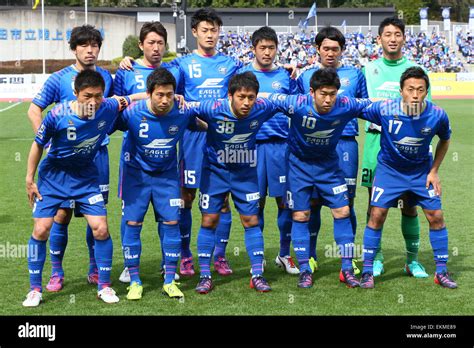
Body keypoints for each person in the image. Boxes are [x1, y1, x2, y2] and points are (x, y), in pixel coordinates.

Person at [23, 70, 133, 307]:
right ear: (75, 94)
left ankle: (104, 286)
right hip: (54, 178)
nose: (93, 102)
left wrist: (174, 96)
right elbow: (37, 145)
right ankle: (34, 289)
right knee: (41, 229)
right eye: (87, 96)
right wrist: (30, 179)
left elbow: (136, 96)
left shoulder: (108, 106)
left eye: (98, 96)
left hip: (86, 178)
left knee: (101, 229)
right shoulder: (57, 114)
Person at [267, 68, 372, 289]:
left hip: (329, 167)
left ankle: (346, 268)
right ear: (312, 92)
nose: (328, 99)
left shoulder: (345, 104)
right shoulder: (296, 104)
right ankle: (305, 269)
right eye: (323, 94)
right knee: (301, 214)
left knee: (343, 211)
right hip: (298, 167)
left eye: (332, 94)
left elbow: (373, 105)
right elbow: (266, 97)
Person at [27, 25, 114, 291]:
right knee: (61, 215)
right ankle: (56, 271)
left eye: (95, 45)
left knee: (96, 216)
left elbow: (120, 101)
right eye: (84, 45)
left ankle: (94, 268)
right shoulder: (59, 78)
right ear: (74, 48)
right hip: (63, 162)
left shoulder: (106, 77)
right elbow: (34, 110)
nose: (90, 50)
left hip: (96, 156)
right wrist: (51, 141)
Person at [359, 67, 457, 289]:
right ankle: (367, 271)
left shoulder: (437, 114)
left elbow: (445, 139)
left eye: (420, 90)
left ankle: (440, 271)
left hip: (420, 172)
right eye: (410, 89)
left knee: (436, 216)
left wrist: (434, 171)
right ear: (401, 91)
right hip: (389, 171)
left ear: (426, 92)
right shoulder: (384, 109)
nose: (415, 95)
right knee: (377, 214)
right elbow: (353, 108)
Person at [112, 68, 201, 300]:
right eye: (159, 94)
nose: (164, 100)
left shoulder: (182, 111)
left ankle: (169, 280)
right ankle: (134, 281)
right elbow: (104, 119)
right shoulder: (132, 113)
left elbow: (203, 123)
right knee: (133, 223)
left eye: (169, 94)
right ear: (149, 93)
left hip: (167, 177)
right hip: (136, 177)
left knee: (172, 222)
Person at [170, 8, 244, 277]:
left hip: (221, 139)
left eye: (214, 30)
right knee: (186, 197)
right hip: (192, 138)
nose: (210, 35)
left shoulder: (231, 64)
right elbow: (162, 85)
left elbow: (251, 84)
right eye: (205, 30)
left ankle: (220, 256)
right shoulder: (182, 65)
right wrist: (128, 60)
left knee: (221, 199)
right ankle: (186, 255)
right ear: (194, 32)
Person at [192, 72, 279, 294]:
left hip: (245, 171)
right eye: (241, 97)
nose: (246, 102)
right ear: (230, 95)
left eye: (251, 97)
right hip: (215, 171)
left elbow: (287, 102)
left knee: (251, 219)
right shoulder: (212, 108)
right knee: (210, 219)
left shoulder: (262, 108)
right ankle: (204, 276)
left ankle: (257, 275)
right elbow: (183, 108)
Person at [361, 17, 431, 278]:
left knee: (409, 205)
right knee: (374, 206)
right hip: (375, 147)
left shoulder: (416, 69)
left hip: (408, 151)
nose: (392, 38)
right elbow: (358, 105)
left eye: (397, 34)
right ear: (379, 39)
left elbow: (426, 111)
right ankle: (376, 259)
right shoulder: (367, 70)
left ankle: (411, 261)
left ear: (404, 38)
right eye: (387, 34)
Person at [296, 26, 368, 274]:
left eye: (335, 49)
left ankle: (349, 259)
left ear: (342, 51)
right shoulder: (305, 77)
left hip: (345, 144)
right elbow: (296, 110)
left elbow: (364, 107)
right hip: (314, 147)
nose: (330, 53)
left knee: (346, 202)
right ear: (317, 49)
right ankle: (312, 255)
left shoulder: (355, 75)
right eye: (325, 48)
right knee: (312, 203)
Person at [113, 21, 181, 284]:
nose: (156, 47)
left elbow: (180, 98)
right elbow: (117, 106)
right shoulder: (127, 71)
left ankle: (170, 263)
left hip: (166, 154)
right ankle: (129, 266)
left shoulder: (174, 69)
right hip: (134, 155)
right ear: (141, 45)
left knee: (169, 213)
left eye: (160, 43)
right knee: (131, 213)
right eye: (151, 42)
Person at [238, 26, 299, 275]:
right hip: (250, 147)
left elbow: (297, 107)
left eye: (271, 48)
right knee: (256, 204)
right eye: (262, 48)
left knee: (285, 203)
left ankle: (284, 254)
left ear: (277, 49)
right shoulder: (242, 74)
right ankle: (258, 256)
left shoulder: (286, 77)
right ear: (254, 49)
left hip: (279, 146)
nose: (266, 52)